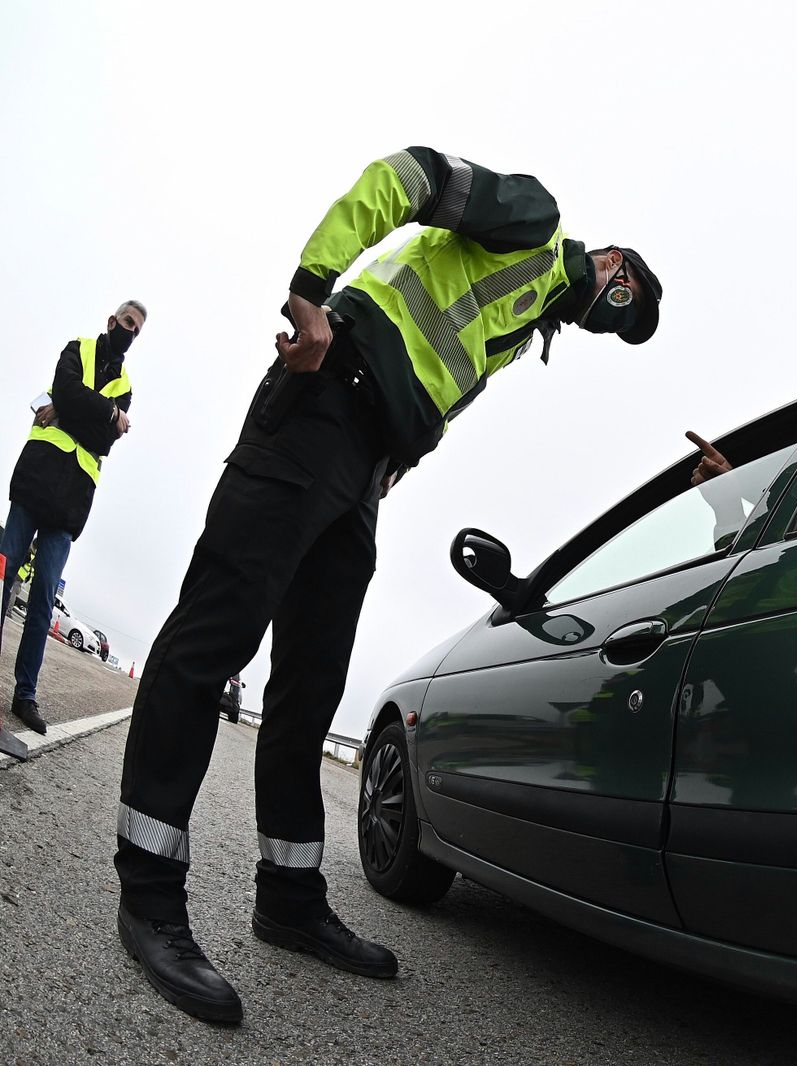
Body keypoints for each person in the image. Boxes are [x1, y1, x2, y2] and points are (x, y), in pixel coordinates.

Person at [114, 147, 663, 1024]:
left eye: (612, 327)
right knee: (213, 639)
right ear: (611, 264)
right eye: (616, 304)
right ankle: (147, 893)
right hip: (323, 397)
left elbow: (438, 379)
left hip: (364, 465)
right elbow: (407, 177)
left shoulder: (527, 329)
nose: (602, 317)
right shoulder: (535, 218)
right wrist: (311, 287)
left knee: (311, 686)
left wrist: (392, 466)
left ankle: (289, 898)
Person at [0, 302, 142, 739]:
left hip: (71, 502)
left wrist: (69, 408)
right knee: (3, 578)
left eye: (136, 329)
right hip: (37, 477)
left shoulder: (127, 387)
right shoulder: (76, 348)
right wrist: (102, 413)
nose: (128, 331)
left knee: (43, 599)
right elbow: (65, 389)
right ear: (110, 321)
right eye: (125, 322)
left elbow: (102, 440)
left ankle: (25, 695)